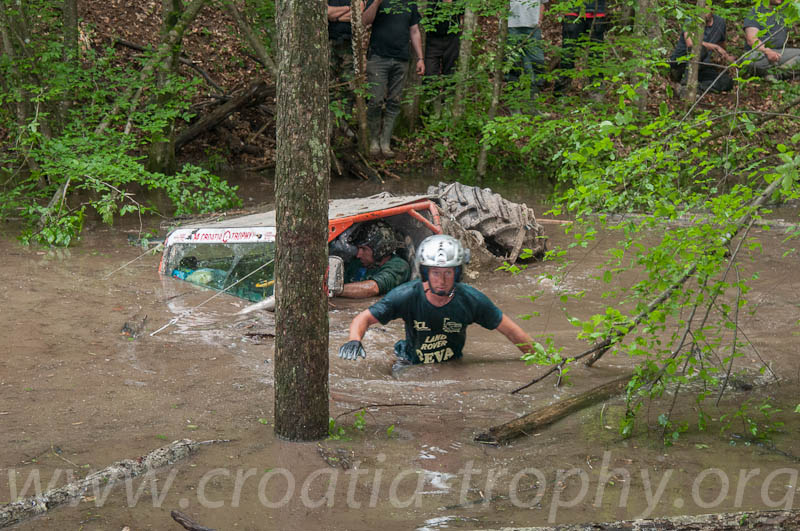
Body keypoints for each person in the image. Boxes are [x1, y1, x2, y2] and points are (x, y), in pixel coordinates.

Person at [338, 234, 534, 366]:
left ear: (457, 273)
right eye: (435, 273)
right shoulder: (406, 295)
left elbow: (512, 331)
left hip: (453, 364)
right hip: (408, 363)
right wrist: (354, 340)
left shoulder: (471, 300)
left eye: (448, 273)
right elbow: (363, 318)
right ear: (425, 273)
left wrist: (541, 360)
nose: (442, 280)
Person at [366, 0, 424, 158]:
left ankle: (385, 142)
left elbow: (414, 31)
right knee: (375, 100)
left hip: (401, 59)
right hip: (378, 57)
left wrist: (420, 58)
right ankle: (373, 140)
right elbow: (365, 20)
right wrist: (376, 3)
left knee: (395, 101)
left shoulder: (410, 3)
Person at [327, 0, 381, 119]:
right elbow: (327, 13)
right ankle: (331, 120)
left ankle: (346, 119)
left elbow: (359, 14)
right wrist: (348, 9)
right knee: (328, 83)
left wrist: (336, 17)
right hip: (329, 42)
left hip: (350, 45)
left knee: (349, 84)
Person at [335, 221, 411, 299]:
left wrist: (335, 290)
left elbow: (373, 288)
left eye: (364, 249)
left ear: (379, 249)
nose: (358, 255)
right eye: (358, 248)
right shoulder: (357, 263)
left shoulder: (399, 266)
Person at [668, 11, 735, 94]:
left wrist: (726, 57)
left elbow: (722, 45)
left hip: (702, 67)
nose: (704, 11)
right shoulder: (691, 20)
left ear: (711, 8)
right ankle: (686, 84)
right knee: (700, 49)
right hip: (682, 64)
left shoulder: (720, 22)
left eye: (706, 6)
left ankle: (696, 89)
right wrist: (716, 47)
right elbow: (691, 43)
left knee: (726, 81)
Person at [554, 0, 608, 95]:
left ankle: (597, 92)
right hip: (573, 11)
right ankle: (561, 93)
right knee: (568, 53)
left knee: (596, 54)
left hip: (596, 12)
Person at [743, 0, 800, 80]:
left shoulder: (785, 10)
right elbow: (751, 39)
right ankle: (785, 72)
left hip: (779, 53)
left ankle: (777, 75)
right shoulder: (756, 12)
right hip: (760, 53)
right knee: (753, 62)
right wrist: (767, 51)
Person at [507, 0, 547, 111]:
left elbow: (543, 3)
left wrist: (539, 20)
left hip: (533, 27)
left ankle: (533, 107)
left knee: (536, 64)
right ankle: (514, 106)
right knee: (513, 65)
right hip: (512, 26)